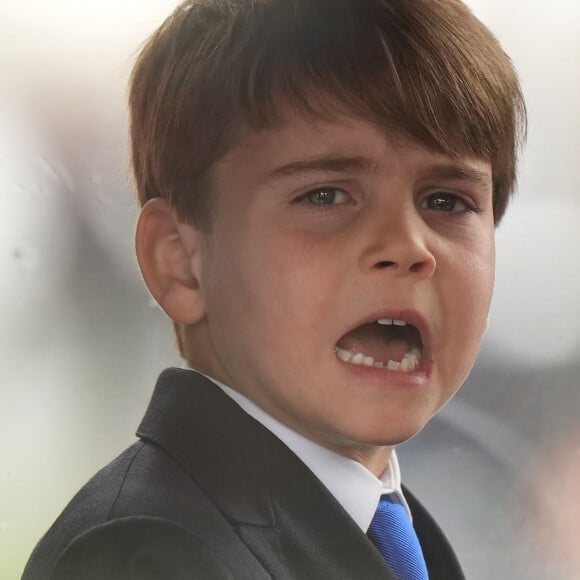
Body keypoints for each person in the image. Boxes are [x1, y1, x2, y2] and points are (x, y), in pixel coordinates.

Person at [23, 0, 526, 578]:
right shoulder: (147, 554)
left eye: (447, 201)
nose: (410, 246)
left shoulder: (393, 532)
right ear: (182, 264)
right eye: (326, 196)